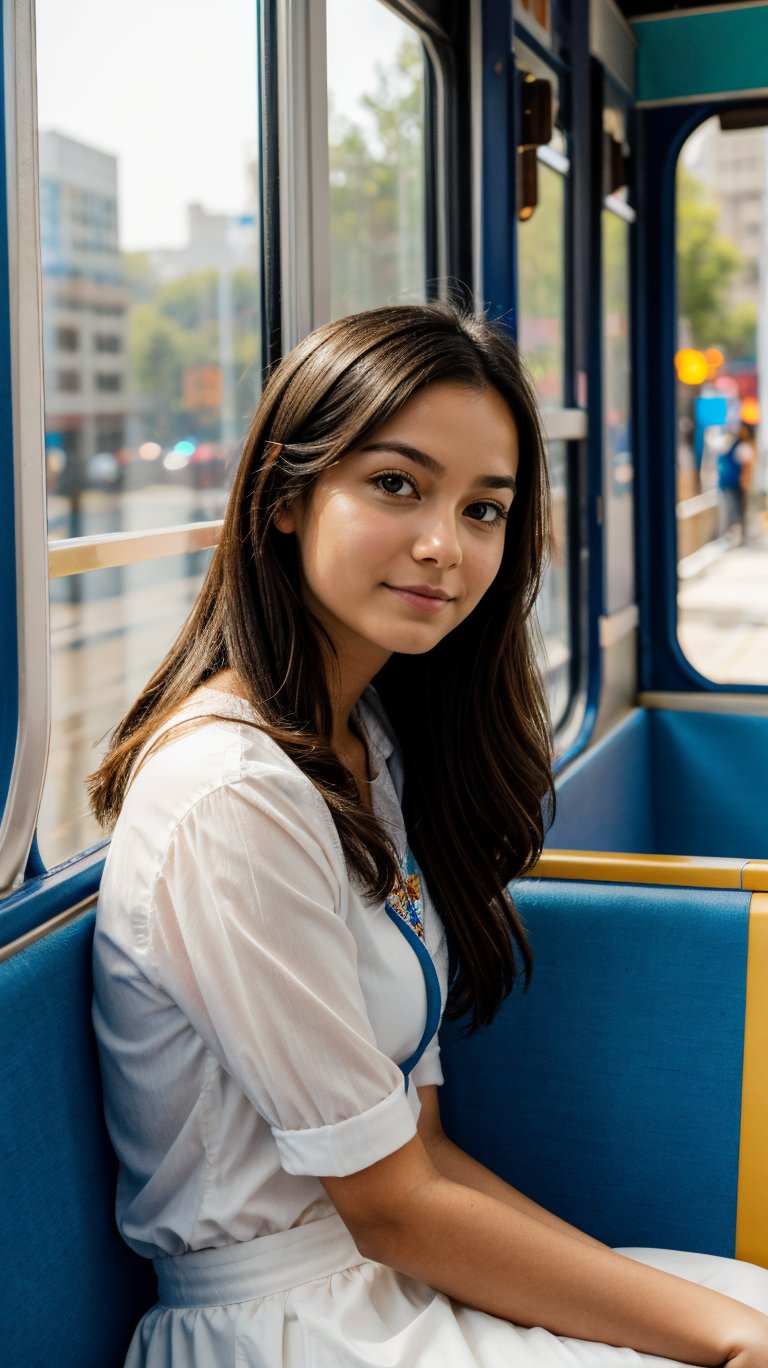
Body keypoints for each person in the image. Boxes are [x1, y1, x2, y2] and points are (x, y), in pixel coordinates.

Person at [91, 303, 768, 1367]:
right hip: (283, 1327)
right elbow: (394, 1205)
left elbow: (428, 1155)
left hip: (394, 1279)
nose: (445, 546)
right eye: (396, 485)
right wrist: (722, 1343)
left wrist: (715, 1324)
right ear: (283, 493)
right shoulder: (231, 794)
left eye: (485, 509)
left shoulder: (363, 747)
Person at [717, 422, 755, 544]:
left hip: (729, 483)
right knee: (737, 510)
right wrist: (746, 481)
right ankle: (737, 537)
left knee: (734, 509)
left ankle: (735, 537)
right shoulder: (741, 447)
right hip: (736, 484)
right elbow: (747, 467)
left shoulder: (730, 445)